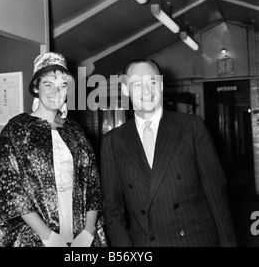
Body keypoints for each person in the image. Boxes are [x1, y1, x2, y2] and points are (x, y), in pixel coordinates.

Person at [100, 59, 237, 247]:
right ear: (125, 89)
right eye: (137, 84)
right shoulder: (112, 141)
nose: (147, 91)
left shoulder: (192, 127)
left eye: (153, 82)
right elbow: (112, 210)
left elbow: (216, 194)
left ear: (162, 84)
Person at [0, 52, 107, 247]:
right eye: (48, 84)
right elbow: (9, 189)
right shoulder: (17, 129)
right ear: (36, 87)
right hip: (34, 237)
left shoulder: (74, 131)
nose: (56, 91)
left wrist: (88, 231)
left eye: (62, 86)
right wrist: (47, 236)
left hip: (78, 234)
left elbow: (92, 182)